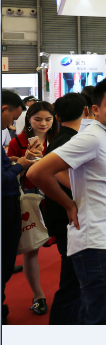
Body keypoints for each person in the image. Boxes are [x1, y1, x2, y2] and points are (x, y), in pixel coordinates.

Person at [27, 77, 106, 325]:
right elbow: (37, 172)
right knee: (103, 318)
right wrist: (68, 203)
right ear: (95, 109)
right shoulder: (91, 137)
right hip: (95, 240)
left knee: (93, 312)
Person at [7, 100, 59, 316]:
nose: (43, 123)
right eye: (38, 119)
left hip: (57, 198)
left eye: (48, 119)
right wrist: (24, 161)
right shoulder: (17, 142)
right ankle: (38, 295)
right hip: (30, 199)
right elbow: (10, 175)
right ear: (28, 120)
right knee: (32, 248)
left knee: (67, 245)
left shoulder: (59, 139)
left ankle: (71, 293)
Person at [44, 93, 86, 325]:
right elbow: (48, 172)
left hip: (65, 217)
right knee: (72, 283)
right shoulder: (71, 141)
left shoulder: (63, 138)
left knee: (76, 281)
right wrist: (80, 195)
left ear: (57, 117)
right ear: (87, 112)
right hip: (69, 219)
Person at [2, 90, 36, 325]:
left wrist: (11, 162)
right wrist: (21, 164)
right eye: (12, 118)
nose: (11, 124)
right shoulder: (15, 140)